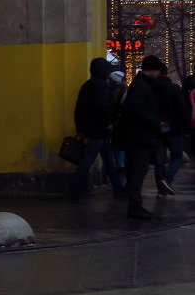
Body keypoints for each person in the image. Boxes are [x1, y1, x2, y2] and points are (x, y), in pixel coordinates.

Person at [117, 55, 165, 219]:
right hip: (140, 137)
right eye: (157, 70)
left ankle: (134, 204)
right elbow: (136, 109)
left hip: (137, 136)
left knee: (136, 170)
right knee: (138, 170)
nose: (159, 73)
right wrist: (156, 121)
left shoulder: (139, 84)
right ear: (151, 70)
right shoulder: (142, 86)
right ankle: (135, 205)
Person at [70, 58, 125, 198]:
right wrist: (109, 122)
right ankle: (75, 189)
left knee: (107, 159)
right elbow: (103, 107)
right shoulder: (103, 86)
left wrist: (80, 128)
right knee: (89, 159)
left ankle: (118, 187)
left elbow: (79, 109)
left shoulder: (87, 85)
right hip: (99, 128)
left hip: (91, 128)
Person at [152, 72, 190, 196]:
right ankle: (167, 179)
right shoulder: (173, 88)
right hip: (174, 128)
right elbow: (182, 108)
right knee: (177, 156)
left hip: (158, 128)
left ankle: (161, 191)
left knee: (160, 160)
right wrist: (187, 127)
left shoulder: (152, 88)